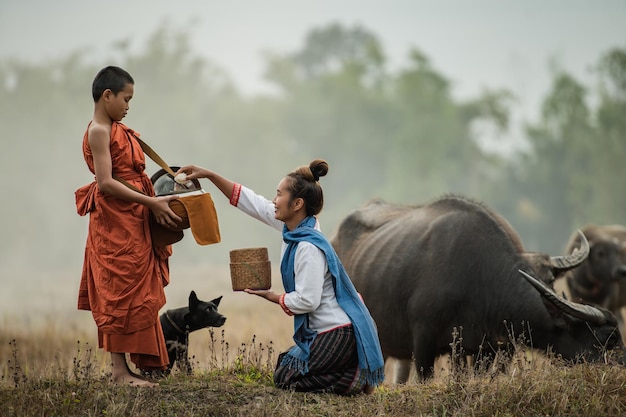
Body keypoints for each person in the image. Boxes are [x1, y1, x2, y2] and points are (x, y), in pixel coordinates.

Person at [176, 160, 385, 395]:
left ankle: (352, 378)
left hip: (337, 332)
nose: (274, 201)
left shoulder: (307, 246)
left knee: (286, 378)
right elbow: (251, 202)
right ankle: (350, 370)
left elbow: (308, 301)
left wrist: (273, 297)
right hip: (330, 332)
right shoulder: (294, 229)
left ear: (297, 204)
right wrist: (210, 175)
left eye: (278, 195)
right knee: (285, 362)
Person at [75, 66, 182, 386]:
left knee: (140, 290)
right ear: (107, 96)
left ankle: (134, 367)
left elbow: (134, 176)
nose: (127, 106)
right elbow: (106, 183)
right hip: (114, 223)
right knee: (117, 290)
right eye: (125, 98)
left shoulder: (122, 130)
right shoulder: (99, 130)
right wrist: (151, 203)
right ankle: (119, 372)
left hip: (135, 218)